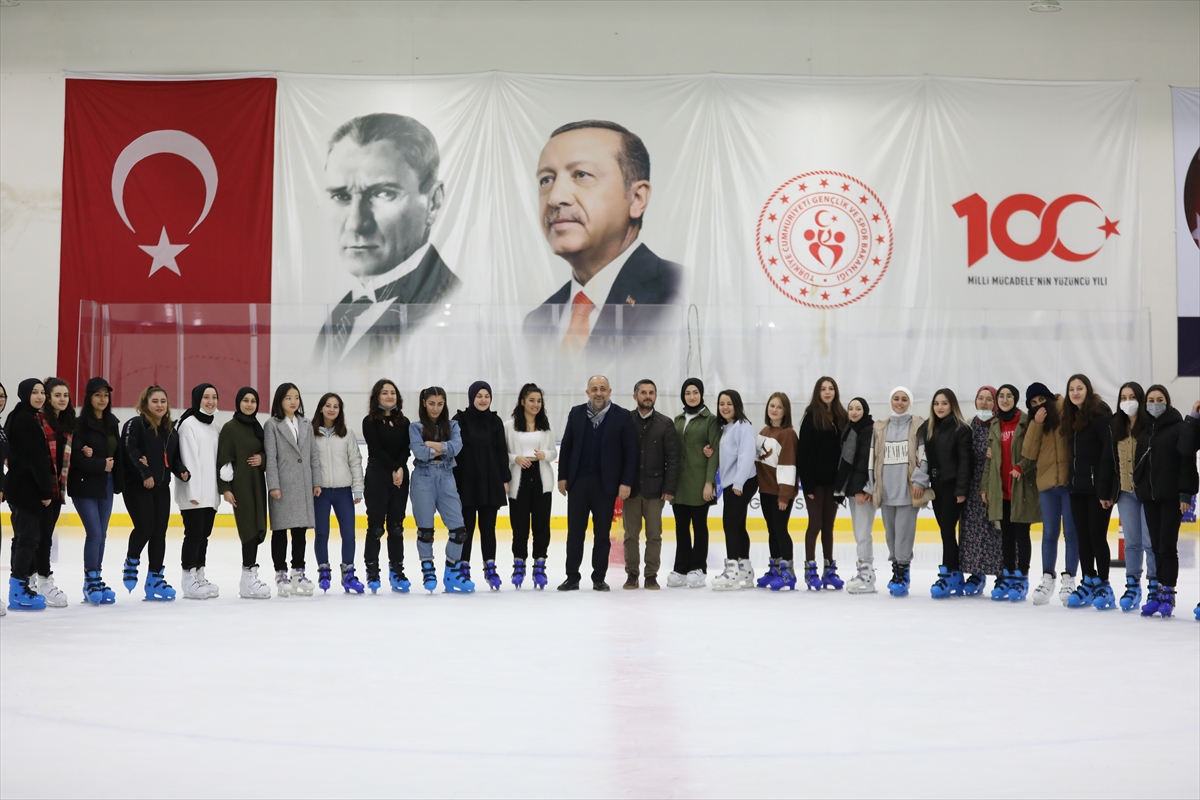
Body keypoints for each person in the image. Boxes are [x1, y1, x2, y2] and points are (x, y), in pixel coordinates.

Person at [313, 113, 460, 363]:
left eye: (383, 193)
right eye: (341, 197)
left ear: (433, 203)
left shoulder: (449, 307)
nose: (356, 223)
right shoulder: (340, 314)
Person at [524, 121, 682, 350]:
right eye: (546, 180)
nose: (555, 197)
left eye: (581, 174)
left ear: (637, 198)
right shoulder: (536, 321)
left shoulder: (678, 295)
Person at [556, 375, 637, 591]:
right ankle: (572, 577)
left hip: (606, 485)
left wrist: (625, 482)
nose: (598, 393)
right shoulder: (576, 413)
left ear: (609, 391)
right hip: (578, 483)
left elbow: (630, 453)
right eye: (594, 389)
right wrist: (562, 477)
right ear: (587, 392)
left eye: (602, 389)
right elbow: (566, 447)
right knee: (575, 532)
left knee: (602, 534)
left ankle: (598, 577)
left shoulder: (622, 416)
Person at [1134, 386, 1198, 618]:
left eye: (1159, 400)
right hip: (1150, 498)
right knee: (1155, 547)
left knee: (1167, 546)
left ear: (1168, 402)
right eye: (1151, 400)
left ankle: (1168, 593)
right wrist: (1140, 488)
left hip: (1171, 498)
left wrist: (1185, 494)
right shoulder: (1145, 431)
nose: (1155, 403)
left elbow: (1186, 460)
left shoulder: (1179, 427)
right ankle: (1159, 592)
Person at [1060, 374, 1120, 610]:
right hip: (1077, 488)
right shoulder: (1070, 417)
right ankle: (1088, 579)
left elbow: (1109, 455)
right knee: (1082, 537)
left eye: (1079, 388)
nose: (1075, 393)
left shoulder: (1099, 416)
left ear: (1088, 390)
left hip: (1098, 490)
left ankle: (1103, 583)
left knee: (1096, 536)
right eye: (1072, 389)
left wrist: (1107, 490)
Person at [122, 385, 187, 601]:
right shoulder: (136, 424)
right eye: (155, 401)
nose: (159, 405)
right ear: (145, 404)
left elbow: (174, 458)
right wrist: (144, 473)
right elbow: (129, 450)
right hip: (137, 485)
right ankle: (132, 561)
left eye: (163, 401)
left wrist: (181, 471)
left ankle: (154, 579)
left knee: (160, 532)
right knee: (146, 527)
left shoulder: (170, 430)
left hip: (161, 487)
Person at [409, 386, 473, 593]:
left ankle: (452, 573)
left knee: (459, 530)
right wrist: (442, 448)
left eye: (440, 404)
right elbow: (419, 452)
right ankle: (428, 569)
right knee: (426, 531)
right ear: (423, 404)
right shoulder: (415, 427)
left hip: (446, 477)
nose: (435, 408)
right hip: (423, 479)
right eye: (431, 403)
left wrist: (432, 445)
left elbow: (457, 447)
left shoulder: (453, 425)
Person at [980, 385, 1040, 602]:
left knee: (1022, 535)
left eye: (1009, 396)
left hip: (1021, 488)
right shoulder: (995, 424)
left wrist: (1021, 466)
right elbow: (990, 460)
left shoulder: (1025, 422)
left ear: (1016, 399)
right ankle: (1007, 575)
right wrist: (985, 486)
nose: (1005, 400)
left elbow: (1035, 450)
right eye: (1001, 396)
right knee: (1006, 536)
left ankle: (1021, 578)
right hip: (1001, 489)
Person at [1022, 382, 1080, 605]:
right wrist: (1036, 425)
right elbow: (1028, 452)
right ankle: (1047, 578)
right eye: (1034, 404)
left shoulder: (1065, 410)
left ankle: (1070, 579)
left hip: (1068, 483)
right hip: (1047, 486)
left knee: (1072, 533)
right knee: (1049, 533)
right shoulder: (1035, 422)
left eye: (1041, 400)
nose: (1039, 405)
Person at [911, 388, 972, 598]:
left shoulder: (961, 429)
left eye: (944, 403)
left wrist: (961, 490)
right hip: (936, 486)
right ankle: (954, 573)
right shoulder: (929, 428)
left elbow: (965, 462)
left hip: (953, 487)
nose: (940, 407)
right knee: (945, 531)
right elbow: (925, 455)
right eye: (937, 403)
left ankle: (948, 573)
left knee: (947, 530)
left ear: (952, 405)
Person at [69, 378, 123, 605]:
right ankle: (90, 581)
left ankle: (97, 578)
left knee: (102, 533)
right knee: (95, 533)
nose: (102, 399)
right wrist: (101, 464)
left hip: (107, 483)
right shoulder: (79, 425)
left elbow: (118, 455)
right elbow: (76, 459)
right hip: (84, 484)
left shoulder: (112, 422)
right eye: (97, 394)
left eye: (105, 395)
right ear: (89, 397)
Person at [622, 379, 680, 590]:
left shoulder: (665, 424)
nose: (648, 396)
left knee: (654, 535)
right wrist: (621, 483)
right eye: (643, 392)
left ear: (655, 396)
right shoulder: (625, 421)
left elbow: (673, 458)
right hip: (631, 490)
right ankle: (632, 574)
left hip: (656, 491)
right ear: (635, 396)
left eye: (651, 392)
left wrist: (669, 488)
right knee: (630, 535)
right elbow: (618, 455)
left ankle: (651, 575)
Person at [453, 381, 510, 591]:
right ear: (471, 397)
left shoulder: (495, 422)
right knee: (466, 529)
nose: (483, 399)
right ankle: (463, 567)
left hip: (490, 482)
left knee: (488, 528)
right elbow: (453, 452)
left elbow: (501, 452)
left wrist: (505, 479)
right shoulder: (459, 420)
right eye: (479, 396)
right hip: (466, 483)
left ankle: (490, 567)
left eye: (486, 395)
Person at [871, 387, 927, 597]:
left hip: (907, 491)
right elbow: (874, 459)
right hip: (886, 490)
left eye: (904, 399)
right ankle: (896, 568)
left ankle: (903, 572)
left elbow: (923, 456)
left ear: (909, 402)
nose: (900, 402)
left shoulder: (918, 426)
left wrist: (919, 481)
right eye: (896, 398)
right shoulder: (880, 427)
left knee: (904, 534)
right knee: (891, 535)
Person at [264, 383, 317, 597]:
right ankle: (281, 572)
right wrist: (274, 485)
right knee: (280, 530)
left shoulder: (306, 423)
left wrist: (316, 482)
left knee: (300, 531)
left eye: (296, 397)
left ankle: (298, 572)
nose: (293, 401)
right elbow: (271, 457)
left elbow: (313, 455)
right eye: (288, 398)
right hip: (284, 484)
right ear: (279, 401)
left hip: (303, 483)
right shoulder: (272, 425)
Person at [218, 387, 271, 599]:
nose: (249, 404)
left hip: (257, 483)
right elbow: (223, 460)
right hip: (241, 486)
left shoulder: (257, 427)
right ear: (238, 402)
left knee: (258, 526)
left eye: (253, 401)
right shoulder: (230, 428)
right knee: (248, 528)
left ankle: (248, 578)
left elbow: (268, 453)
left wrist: (262, 459)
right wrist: (226, 490)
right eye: (245, 400)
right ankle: (248, 575)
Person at [4, 379, 53, 610]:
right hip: (26, 489)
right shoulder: (27, 420)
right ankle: (18, 590)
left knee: (22, 537)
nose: (40, 396)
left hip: (18, 487)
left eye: (42, 392)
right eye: (34, 392)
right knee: (29, 538)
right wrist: (45, 490)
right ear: (25, 394)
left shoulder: (18, 414)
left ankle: (18, 586)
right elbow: (35, 461)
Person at [667, 378, 720, 589]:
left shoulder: (711, 420)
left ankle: (698, 567)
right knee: (681, 527)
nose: (692, 396)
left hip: (699, 483)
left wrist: (709, 483)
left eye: (695, 392)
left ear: (701, 394)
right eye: (688, 392)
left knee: (699, 526)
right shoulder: (678, 420)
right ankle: (681, 567)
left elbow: (713, 454)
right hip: (679, 484)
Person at [797, 376, 848, 591]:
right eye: (823, 389)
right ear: (817, 392)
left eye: (831, 388)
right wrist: (807, 485)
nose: (827, 392)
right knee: (815, 524)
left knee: (828, 526)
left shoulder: (842, 417)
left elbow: (847, 452)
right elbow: (804, 454)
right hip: (815, 484)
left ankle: (829, 569)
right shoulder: (811, 416)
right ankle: (811, 569)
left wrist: (843, 484)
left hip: (834, 483)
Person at [311, 392, 365, 594]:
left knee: (349, 533)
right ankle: (324, 570)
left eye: (336, 406)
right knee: (322, 533)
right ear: (321, 408)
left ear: (340, 410)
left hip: (343, 491)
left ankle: (348, 573)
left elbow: (355, 461)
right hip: (320, 491)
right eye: (328, 405)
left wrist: (357, 488)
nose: (332, 409)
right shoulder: (311, 432)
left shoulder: (347, 433)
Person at [505, 383, 557, 589]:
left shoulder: (545, 426)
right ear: (522, 402)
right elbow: (502, 454)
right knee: (519, 527)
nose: (536, 404)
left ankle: (539, 566)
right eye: (532, 400)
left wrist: (546, 455)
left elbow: (553, 451)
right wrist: (516, 458)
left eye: (539, 401)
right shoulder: (509, 426)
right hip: (519, 480)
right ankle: (519, 566)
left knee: (541, 526)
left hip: (541, 480)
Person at [361, 379, 411, 593]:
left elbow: (406, 448)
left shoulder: (404, 421)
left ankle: (396, 570)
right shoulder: (369, 421)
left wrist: (399, 468)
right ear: (377, 397)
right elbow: (376, 449)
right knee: (376, 527)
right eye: (384, 393)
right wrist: (394, 468)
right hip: (378, 476)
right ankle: (372, 570)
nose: (389, 396)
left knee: (397, 527)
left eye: (392, 392)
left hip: (399, 477)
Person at [175, 383, 222, 600]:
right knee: (193, 536)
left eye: (214, 397)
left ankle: (199, 574)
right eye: (206, 397)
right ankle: (188, 578)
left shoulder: (213, 426)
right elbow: (188, 459)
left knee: (204, 536)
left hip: (210, 494)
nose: (210, 402)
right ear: (197, 399)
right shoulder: (188, 425)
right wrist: (193, 493)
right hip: (194, 494)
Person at [1112, 382, 1155, 611]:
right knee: (1132, 543)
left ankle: (1155, 586)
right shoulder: (1116, 426)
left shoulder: (1149, 427)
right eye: (1123, 397)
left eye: (1132, 397)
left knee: (1150, 542)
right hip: (1126, 493)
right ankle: (1132, 585)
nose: (1127, 401)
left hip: (1146, 492)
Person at [31, 377, 74, 607]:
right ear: (48, 397)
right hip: (38, 489)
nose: (62, 399)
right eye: (57, 395)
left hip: (56, 490)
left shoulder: (66, 423)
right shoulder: (38, 420)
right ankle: (41, 579)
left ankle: (37, 579)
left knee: (45, 535)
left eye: (65, 395)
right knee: (36, 537)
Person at [713, 390, 757, 591]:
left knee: (730, 524)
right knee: (738, 525)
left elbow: (747, 456)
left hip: (743, 481)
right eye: (721, 404)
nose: (725, 407)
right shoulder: (726, 427)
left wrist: (738, 484)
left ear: (737, 405)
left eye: (729, 403)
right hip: (733, 482)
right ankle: (745, 570)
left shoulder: (743, 426)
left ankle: (731, 570)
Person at [960, 386, 1001, 595]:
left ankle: (1002, 574)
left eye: (988, 400)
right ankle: (976, 573)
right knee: (974, 531)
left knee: (997, 531)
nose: (984, 403)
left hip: (995, 485)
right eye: (980, 399)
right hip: (973, 485)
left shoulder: (1001, 425)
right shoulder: (969, 424)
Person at [756, 392, 799, 591]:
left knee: (781, 530)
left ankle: (788, 571)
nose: (774, 409)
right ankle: (775, 568)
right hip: (765, 491)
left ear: (785, 411)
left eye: (779, 407)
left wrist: (784, 495)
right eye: (771, 405)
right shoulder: (764, 431)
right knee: (772, 530)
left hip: (780, 493)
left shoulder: (788, 434)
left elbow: (788, 466)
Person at [835, 397, 877, 594]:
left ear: (865, 410)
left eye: (858, 408)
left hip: (862, 491)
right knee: (859, 532)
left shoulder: (867, 429)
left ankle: (866, 574)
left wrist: (861, 489)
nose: (853, 412)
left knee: (862, 532)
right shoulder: (851, 429)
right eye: (851, 408)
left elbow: (864, 461)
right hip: (854, 489)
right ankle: (864, 571)